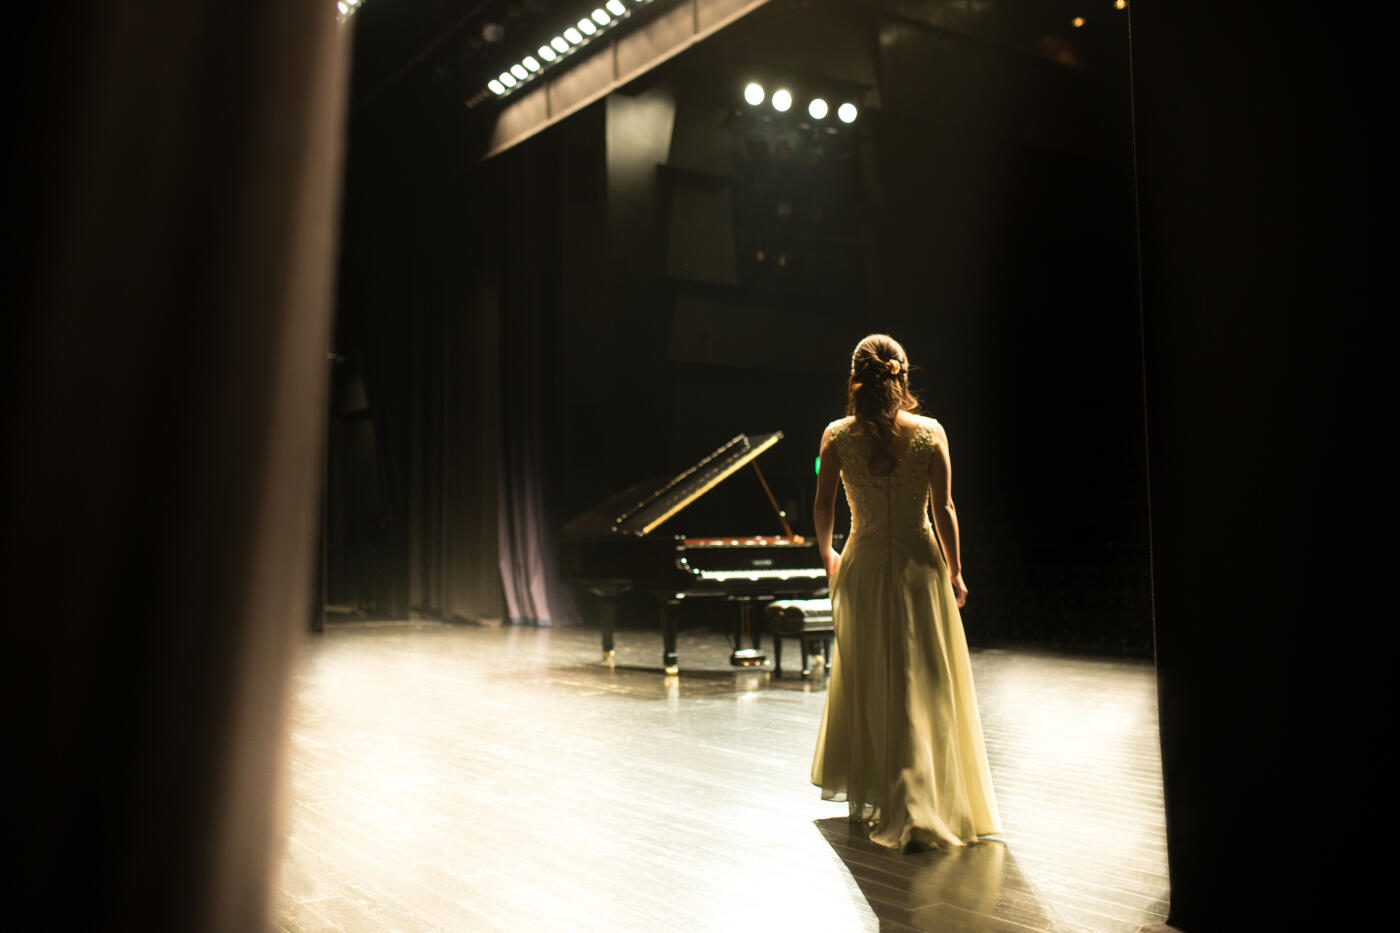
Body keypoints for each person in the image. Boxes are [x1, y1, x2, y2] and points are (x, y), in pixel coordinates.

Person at [810, 334, 1002, 850]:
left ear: (855, 378)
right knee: (923, 677)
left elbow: (824, 504)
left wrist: (827, 554)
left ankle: (889, 789)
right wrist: (956, 570)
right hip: (920, 565)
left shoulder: (836, 436)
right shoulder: (931, 432)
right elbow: (945, 508)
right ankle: (921, 792)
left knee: (874, 676)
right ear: (902, 374)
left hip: (863, 562)